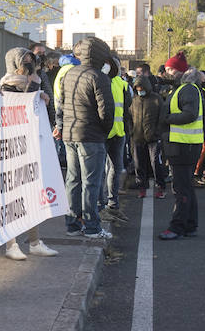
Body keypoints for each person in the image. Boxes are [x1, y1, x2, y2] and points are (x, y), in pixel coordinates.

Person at [0, 47, 60, 260]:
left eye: (30, 60)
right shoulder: (8, 85)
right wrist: (33, 86)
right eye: (24, 60)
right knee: (13, 197)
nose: (28, 64)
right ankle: (11, 244)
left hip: (30, 146)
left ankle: (34, 242)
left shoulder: (33, 83)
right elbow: (19, 109)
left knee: (33, 194)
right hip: (12, 150)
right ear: (13, 63)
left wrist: (39, 93)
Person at [57, 37, 115, 242]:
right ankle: (91, 227)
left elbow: (61, 104)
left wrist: (62, 127)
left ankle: (72, 224)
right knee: (91, 182)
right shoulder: (99, 77)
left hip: (69, 134)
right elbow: (106, 111)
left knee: (72, 179)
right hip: (91, 135)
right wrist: (103, 131)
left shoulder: (69, 74)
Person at [159, 53, 204, 240]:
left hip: (183, 145)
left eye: (170, 69)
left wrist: (167, 119)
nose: (167, 73)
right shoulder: (183, 89)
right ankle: (189, 225)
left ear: (181, 70)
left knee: (181, 188)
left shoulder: (187, 89)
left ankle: (177, 226)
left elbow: (190, 114)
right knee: (186, 187)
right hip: (184, 144)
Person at [101, 57, 131, 222]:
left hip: (116, 133)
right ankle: (106, 204)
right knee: (109, 170)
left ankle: (111, 204)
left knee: (114, 169)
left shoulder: (121, 84)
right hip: (109, 133)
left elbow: (126, 106)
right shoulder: (104, 82)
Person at [130, 72, 169, 199]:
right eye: (138, 89)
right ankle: (142, 187)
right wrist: (131, 131)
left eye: (141, 89)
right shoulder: (134, 100)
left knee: (155, 162)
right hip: (137, 137)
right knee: (139, 163)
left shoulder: (156, 99)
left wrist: (157, 132)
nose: (140, 91)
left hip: (153, 137)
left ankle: (160, 186)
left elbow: (161, 117)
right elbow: (129, 117)